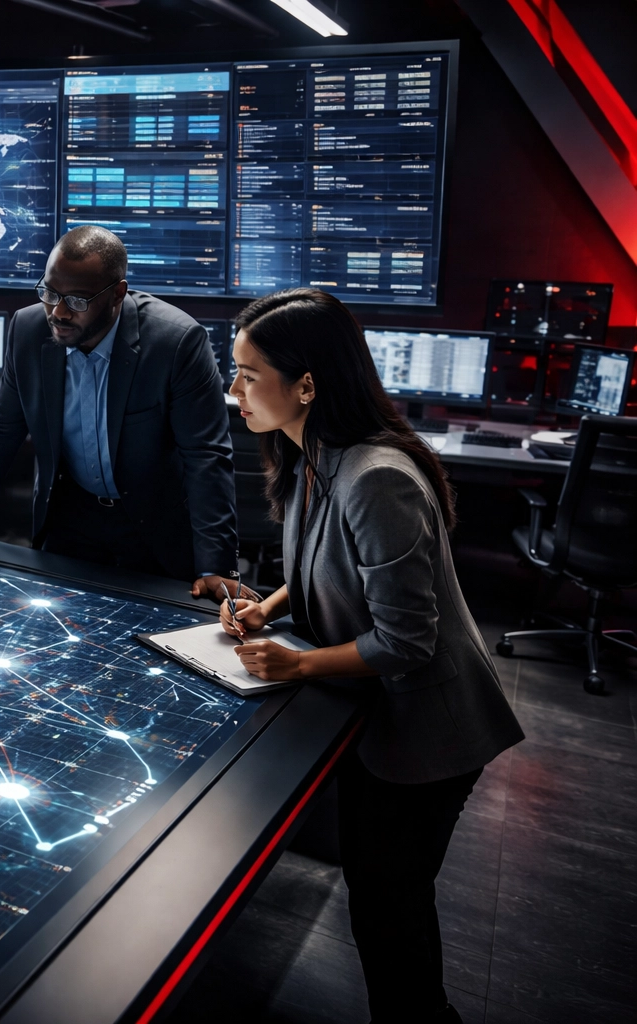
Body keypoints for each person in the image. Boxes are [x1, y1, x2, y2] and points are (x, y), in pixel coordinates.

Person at [219, 288, 523, 1024]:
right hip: (385, 718)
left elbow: (406, 641)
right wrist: (271, 606)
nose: (233, 394)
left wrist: (294, 664)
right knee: (379, 899)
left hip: (432, 732)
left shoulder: (376, 476)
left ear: (309, 385)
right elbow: (332, 558)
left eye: (248, 375)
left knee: (391, 916)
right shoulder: (318, 455)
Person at [0, 225, 240, 600]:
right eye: (49, 293)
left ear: (117, 294)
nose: (57, 312)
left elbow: (206, 457)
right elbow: (2, 427)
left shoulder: (176, 342)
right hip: (69, 516)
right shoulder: (27, 329)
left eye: (76, 300)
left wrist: (215, 567)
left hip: (153, 522)